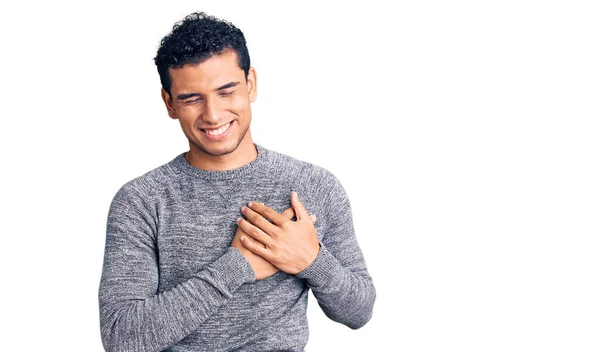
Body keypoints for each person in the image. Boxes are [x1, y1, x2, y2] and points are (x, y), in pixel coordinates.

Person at [98, 11, 376, 352]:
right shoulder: (141, 201)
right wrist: (236, 266)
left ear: (251, 84)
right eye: (191, 98)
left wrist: (312, 260)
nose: (213, 115)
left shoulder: (314, 185)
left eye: (226, 91)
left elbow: (359, 311)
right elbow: (121, 337)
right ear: (169, 102)